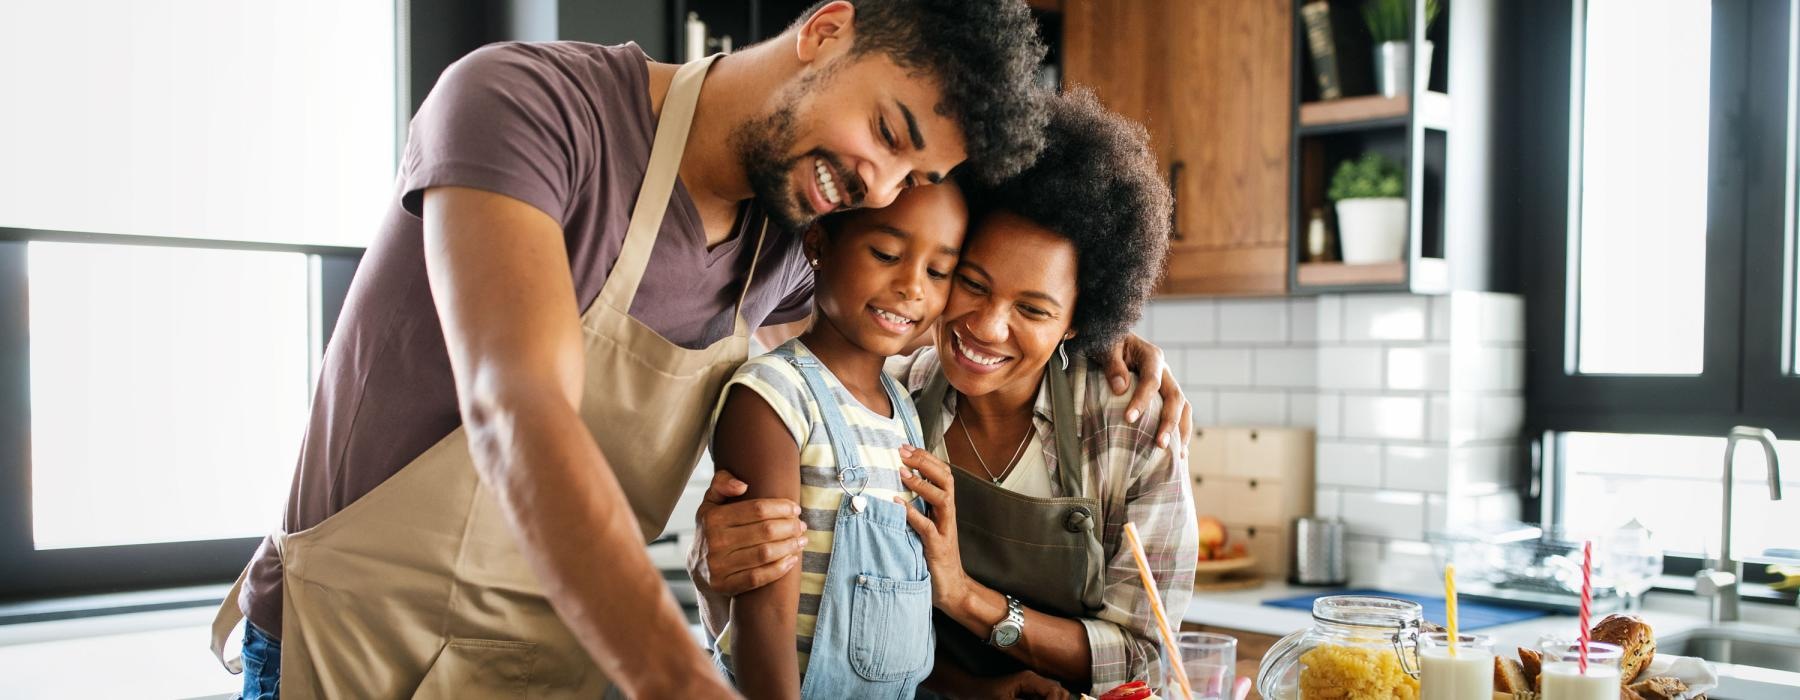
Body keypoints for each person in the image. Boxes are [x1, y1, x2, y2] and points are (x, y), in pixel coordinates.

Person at [206, 2, 1052, 697]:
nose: (876, 188)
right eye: (887, 132)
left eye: (911, 180)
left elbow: (888, 373)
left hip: (548, 674)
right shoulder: (526, 106)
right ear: (826, 30)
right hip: (351, 654)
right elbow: (518, 411)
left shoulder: (791, 247)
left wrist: (1096, 370)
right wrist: (684, 683)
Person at [693, 90, 1198, 698]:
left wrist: (965, 597)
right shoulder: (891, 398)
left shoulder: (1134, 429)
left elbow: (1148, 652)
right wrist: (715, 565)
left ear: (1079, 321)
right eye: (970, 283)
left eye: (1033, 309)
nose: (986, 327)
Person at [711, 182, 966, 698]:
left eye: (937, 271)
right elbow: (764, 616)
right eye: (887, 254)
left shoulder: (905, 410)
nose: (913, 287)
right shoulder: (775, 396)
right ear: (818, 245)